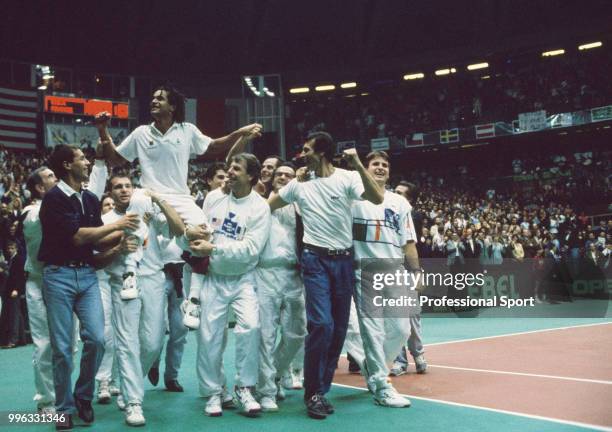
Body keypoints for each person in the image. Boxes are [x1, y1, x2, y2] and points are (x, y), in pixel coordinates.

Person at [94, 84, 262, 329]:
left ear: (172, 106)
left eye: (160, 98)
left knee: (203, 233)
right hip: (150, 194)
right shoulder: (141, 132)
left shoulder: (187, 130)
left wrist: (240, 132)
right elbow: (116, 158)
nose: (153, 101)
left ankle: (193, 299)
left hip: (181, 198)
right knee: (137, 199)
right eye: (152, 97)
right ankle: (130, 273)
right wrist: (103, 131)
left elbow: (214, 146)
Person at [268, 132, 384, 419]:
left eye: (306, 150)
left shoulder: (347, 177)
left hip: (344, 261)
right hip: (314, 259)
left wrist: (358, 164)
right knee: (322, 324)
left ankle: (321, 387)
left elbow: (377, 197)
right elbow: (265, 206)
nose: (302, 154)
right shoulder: (299, 185)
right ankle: (313, 393)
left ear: (321, 153)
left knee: (339, 329)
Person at [38, 144, 139, 430]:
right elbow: (79, 238)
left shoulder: (91, 199)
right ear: (67, 165)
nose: (87, 161)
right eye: (82, 158)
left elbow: (98, 242)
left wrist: (125, 235)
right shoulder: (54, 198)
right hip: (58, 276)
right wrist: (118, 224)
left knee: (97, 339)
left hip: (88, 276)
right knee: (62, 347)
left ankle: (83, 396)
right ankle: (64, 409)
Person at [188, 153, 271, 418]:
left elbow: (252, 248)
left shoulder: (259, 207)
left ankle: (244, 388)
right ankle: (214, 392)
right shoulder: (213, 198)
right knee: (209, 336)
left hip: (244, 278)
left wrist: (214, 248)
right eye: (229, 167)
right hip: (213, 277)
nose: (229, 172)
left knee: (250, 328)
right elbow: (202, 230)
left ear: (250, 176)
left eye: (236, 168)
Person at [100, 174, 185, 426]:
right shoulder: (106, 220)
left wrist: (158, 199)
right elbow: (97, 255)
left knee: (153, 342)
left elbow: (179, 230)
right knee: (127, 342)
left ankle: (127, 382)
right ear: (111, 193)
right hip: (122, 282)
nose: (123, 190)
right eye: (117, 187)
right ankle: (134, 402)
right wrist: (118, 243)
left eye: (128, 186)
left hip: (153, 280)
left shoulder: (149, 211)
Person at [343, 151, 413, 407]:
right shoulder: (354, 198)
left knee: (401, 329)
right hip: (364, 272)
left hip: (395, 270)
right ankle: (382, 385)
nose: (380, 168)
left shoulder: (400, 203)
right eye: (375, 164)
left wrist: (416, 272)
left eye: (384, 165)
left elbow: (408, 242)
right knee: (372, 332)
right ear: (366, 168)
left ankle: (374, 371)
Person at [255, 162, 307, 411]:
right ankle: (266, 391)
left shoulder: (301, 207)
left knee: (297, 333)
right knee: (265, 335)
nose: (284, 178)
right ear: (272, 179)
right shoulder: (260, 204)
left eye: (289, 175)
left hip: (294, 274)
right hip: (265, 273)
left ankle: (274, 372)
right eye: (280, 174)